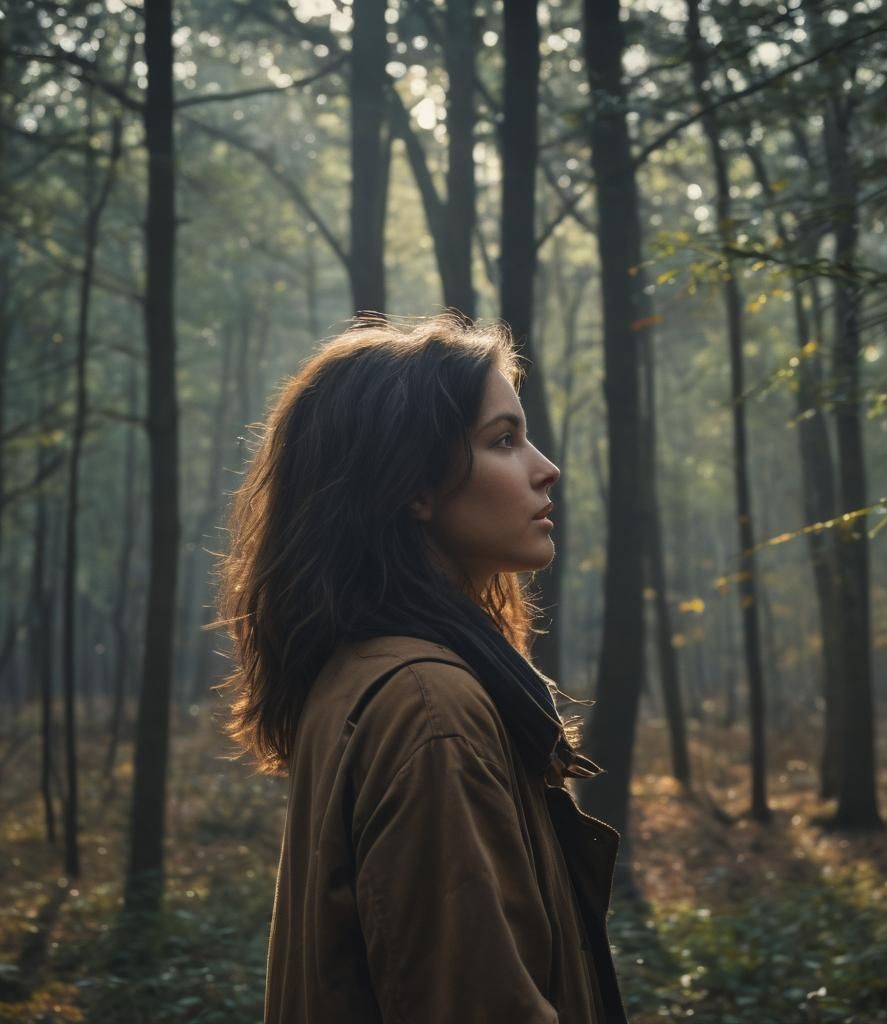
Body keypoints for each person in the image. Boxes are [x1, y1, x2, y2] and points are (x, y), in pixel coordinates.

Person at [217, 314, 629, 1023]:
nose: (545, 467)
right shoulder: (428, 706)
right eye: (503, 440)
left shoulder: (372, 675)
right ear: (413, 484)